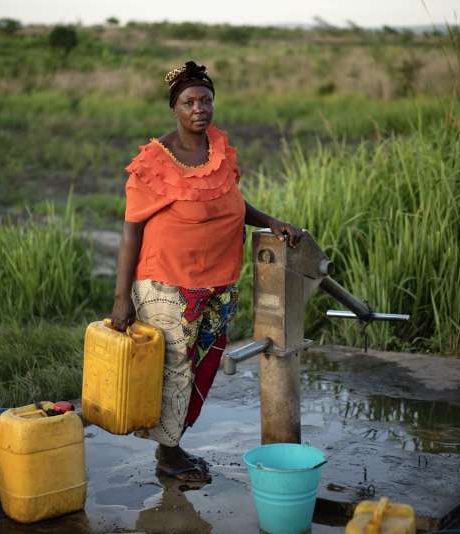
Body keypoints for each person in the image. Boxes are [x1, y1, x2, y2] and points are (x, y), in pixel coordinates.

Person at [110, 61, 304, 483]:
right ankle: (168, 455)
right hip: (169, 283)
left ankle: (174, 444)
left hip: (218, 280)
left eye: (206, 99)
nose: (199, 108)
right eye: (189, 102)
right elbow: (130, 232)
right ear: (174, 109)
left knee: (205, 364)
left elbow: (230, 200)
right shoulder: (155, 162)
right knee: (176, 368)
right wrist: (121, 297)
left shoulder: (218, 148)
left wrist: (270, 221)